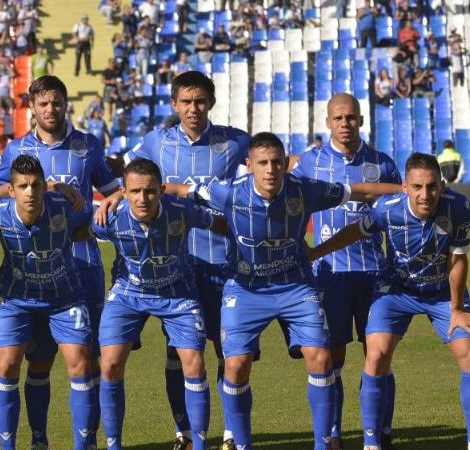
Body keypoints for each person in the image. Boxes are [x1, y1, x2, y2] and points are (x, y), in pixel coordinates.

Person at [165, 132, 401, 450]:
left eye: (277, 162)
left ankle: (323, 444)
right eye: (262, 163)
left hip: (295, 286)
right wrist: (120, 196)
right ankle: (242, 443)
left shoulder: (305, 190)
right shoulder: (228, 192)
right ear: (249, 165)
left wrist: (407, 190)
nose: (270, 169)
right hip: (246, 288)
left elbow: (360, 190)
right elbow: (178, 189)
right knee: (235, 364)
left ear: (286, 164)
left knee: (320, 358)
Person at [98, 70, 250, 450]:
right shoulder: (157, 141)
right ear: (174, 105)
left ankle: (231, 433)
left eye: (200, 101)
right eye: (186, 101)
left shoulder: (234, 142)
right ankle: (183, 431)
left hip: (218, 264)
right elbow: (131, 176)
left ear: (211, 103)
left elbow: (265, 173)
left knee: (224, 351)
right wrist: (117, 195)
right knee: (177, 353)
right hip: (171, 270)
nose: (193, 108)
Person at [307, 153, 470, 450]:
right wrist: (317, 251)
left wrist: (457, 310)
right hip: (395, 289)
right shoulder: (386, 209)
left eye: (432, 186)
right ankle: (372, 443)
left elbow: (458, 259)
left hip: (441, 291)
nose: (425, 194)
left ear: (441, 186)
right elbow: (355, 231)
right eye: (417, 187)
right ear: (404, 186)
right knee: (376, 355)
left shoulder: (459, 208)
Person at [0, 76, 121, 449]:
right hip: (34, 268)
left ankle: (89, 441)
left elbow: (114, 192)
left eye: (56, 103)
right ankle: (38, 439)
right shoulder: (16, 149)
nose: (51, 110)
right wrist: (48, 187)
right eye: (43, 103)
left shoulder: (87, 146)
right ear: (32, 106)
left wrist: (111, 201)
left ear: (66, 104)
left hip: (83, 261)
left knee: (88, 360)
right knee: (40, 360)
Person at [291, 93, 403, 450]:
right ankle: (333, 434)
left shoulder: (383, 164)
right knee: (333, 356)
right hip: (330, 274)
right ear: (327, 123)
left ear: (361, 120)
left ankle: (380, 434)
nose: (345, 124)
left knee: (379, 354)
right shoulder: (309, 163)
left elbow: (399, 214)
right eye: (338, 118)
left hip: (375, 274)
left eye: (351, 117)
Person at [91, 158, 225, 450]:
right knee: (111, 364)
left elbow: (219, 223)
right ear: (123, 193)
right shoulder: (109, 217)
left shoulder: (182, 211)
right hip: (128, 294)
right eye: (135, 191)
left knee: (194, 363)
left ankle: (198, 445)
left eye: (150, 191)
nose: (143, 198)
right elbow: (75, 230)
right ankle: (113, 446)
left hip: (178, 294)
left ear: (162, 190)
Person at [0, 155, 98, 449]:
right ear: (12, 190)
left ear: (44, 187)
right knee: (7, 366)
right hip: (15, 299)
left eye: (35, 185)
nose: (30, 192)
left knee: (80, 364)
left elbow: (96, 219)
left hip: (64, 297)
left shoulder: (64, 206)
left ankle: (65, 444)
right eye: (22, 186)